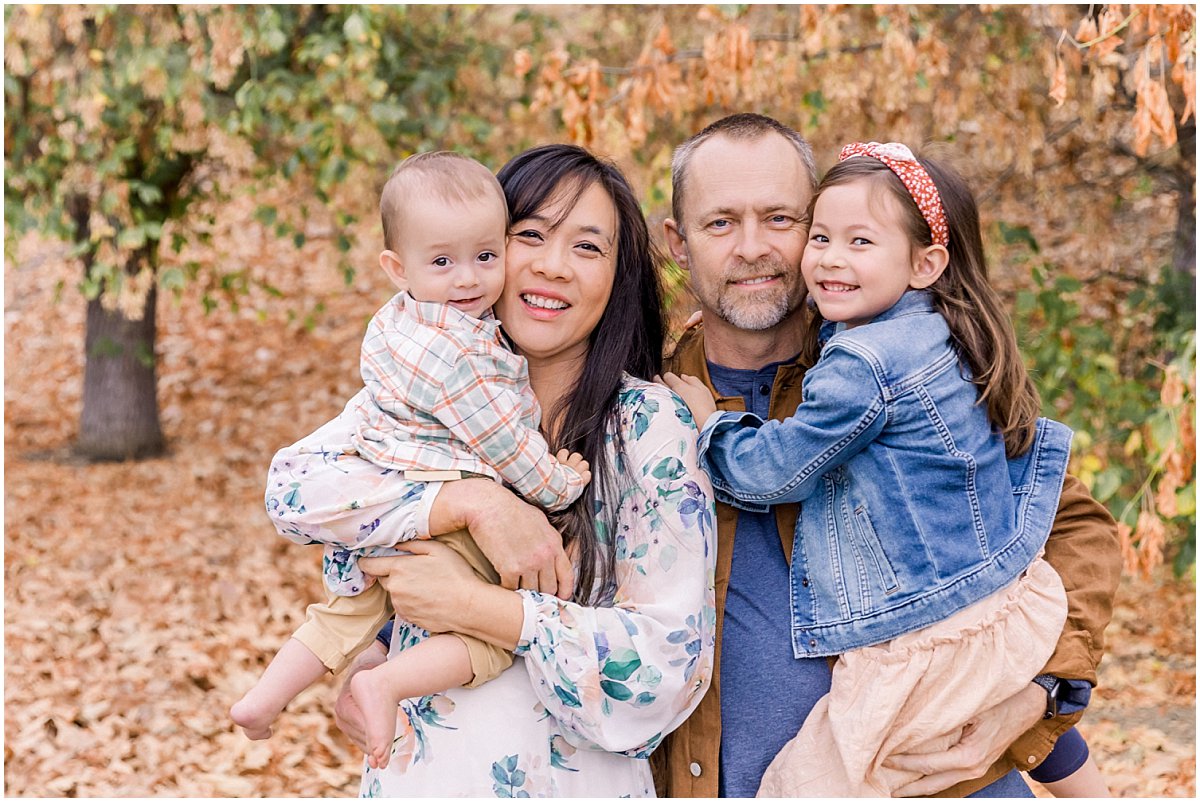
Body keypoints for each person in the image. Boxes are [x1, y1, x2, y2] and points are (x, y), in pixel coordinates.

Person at [654, 114, 1121, 797]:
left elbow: (1066, 529)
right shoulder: (645, 399)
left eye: (781, 219)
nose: (752, 249)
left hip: (938, 777)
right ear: (679, 243)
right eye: (720, 223)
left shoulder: (900, 369)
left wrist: (1039, 697)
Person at [279, 144, 718, 795]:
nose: (552, 266)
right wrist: (476, 504)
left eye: (588, 248)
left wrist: (483, 609)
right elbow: (293, 488)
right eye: (529, 235)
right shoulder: (422, 394)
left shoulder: (648, 425)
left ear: (617, 276)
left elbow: (667, 667)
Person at [230, 152, 597, 768]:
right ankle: (386, 683)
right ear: (396, 268)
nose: (468, 279)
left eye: (486, 256)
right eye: (443, 262)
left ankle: (263, 700)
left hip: (390, 509)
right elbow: (506, 444)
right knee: (493, 641)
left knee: (345, 615)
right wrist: (560, 484)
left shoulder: (399, 324)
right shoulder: (457, 356)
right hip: (444, 501)